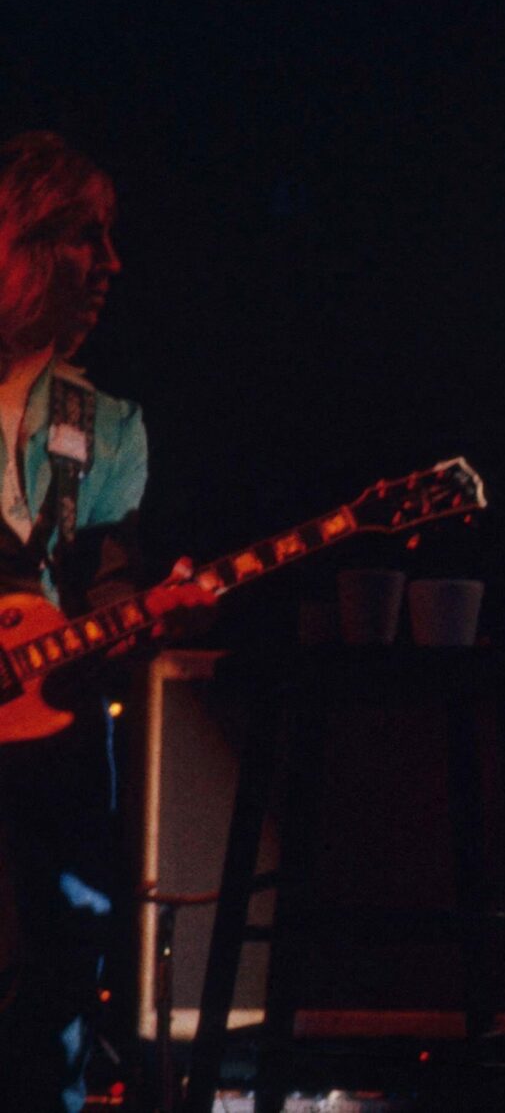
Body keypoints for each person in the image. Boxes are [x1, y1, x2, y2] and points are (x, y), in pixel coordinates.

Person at [0, 132, 149, 1112]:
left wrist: (140, 615)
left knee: (45, 995)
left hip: (47, 760)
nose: (109, 264)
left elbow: (107, 590)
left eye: (107, 238)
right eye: (81, 237)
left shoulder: (108, 429)